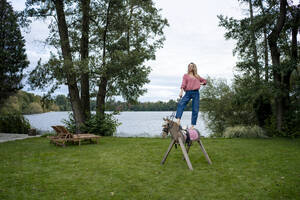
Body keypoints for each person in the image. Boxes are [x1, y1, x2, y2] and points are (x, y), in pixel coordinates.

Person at [175, 62, 207, 129]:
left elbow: (204, 81)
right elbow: (183, 84)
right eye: (189, 66)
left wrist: (200, 83)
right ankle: (178, 120)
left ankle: (192, 125)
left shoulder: (197, 76)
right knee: (181, 104)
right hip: (188, 93)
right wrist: (181, 92)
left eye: (191, 66)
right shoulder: (185, 75)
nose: (190, 67)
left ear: (194, 67)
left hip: (196, 93)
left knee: (195, 109)